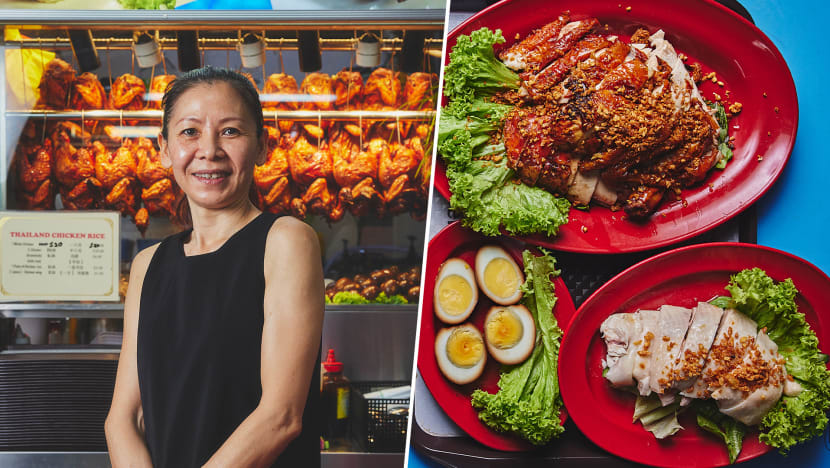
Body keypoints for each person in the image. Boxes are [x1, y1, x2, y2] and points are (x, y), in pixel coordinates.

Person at [105, 66, 323, 468]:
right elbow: (123, 418)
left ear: (261, 146)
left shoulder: (286, 240)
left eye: (230, 131)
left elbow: (281, 417)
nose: (209, 150)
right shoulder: (146, 266)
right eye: (189, 132)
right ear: (165, 148)